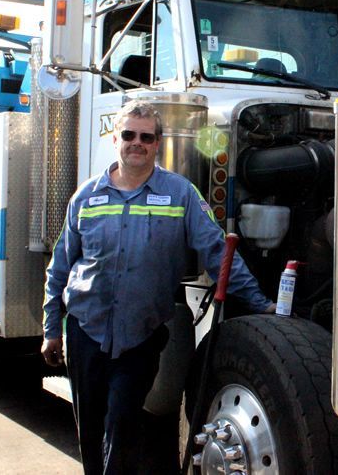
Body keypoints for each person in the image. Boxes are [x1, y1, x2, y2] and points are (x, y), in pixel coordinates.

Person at [41, 100, 274, 474]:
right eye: (129, 135)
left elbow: (217, 252)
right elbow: (61, 267)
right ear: (115, 139)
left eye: (146, 137)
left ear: (158, 143)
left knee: (123, 424)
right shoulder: (86, 197)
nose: (137, 143)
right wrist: (52, 329)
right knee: (90, 429)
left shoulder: (181, 194)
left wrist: (261, 303)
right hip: (86, 331)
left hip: (140, 336)